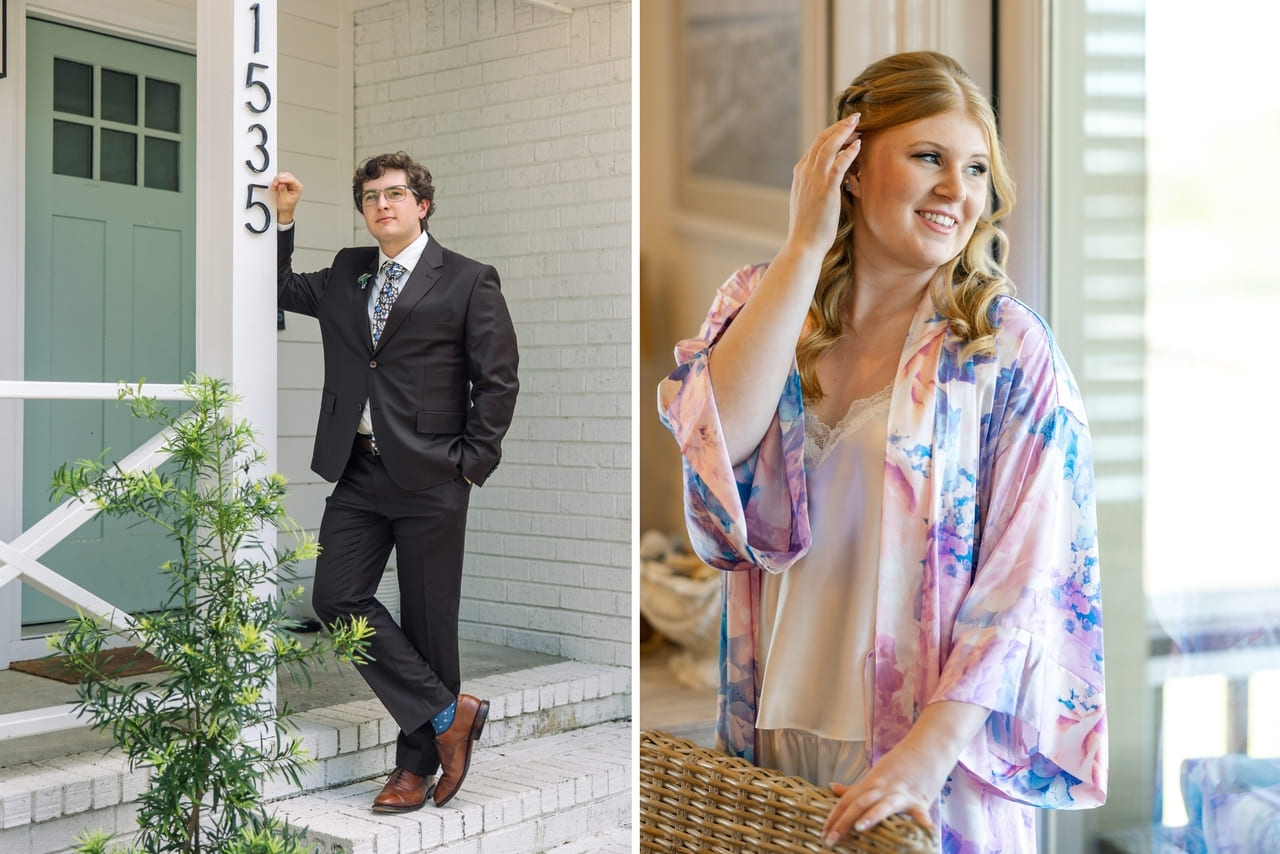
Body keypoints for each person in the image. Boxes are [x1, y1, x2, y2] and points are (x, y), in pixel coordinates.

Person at [657, 51, 1107, 851]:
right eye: (929, 157)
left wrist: (924, 760)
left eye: (975, 170)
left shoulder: (1004, 351)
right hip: (772, 739)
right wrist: (802, 248)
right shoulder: (760, 303)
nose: (956, 191)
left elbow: (1030, 581)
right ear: (852, 166)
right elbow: (713, 448)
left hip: (924, 764)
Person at [272, 152, 519, 813]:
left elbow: (497, 380)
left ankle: (413, 770)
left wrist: (470, 463)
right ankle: (447, 713)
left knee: (430, 623)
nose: (383, 204)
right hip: (358, 470)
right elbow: (276, 287)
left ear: (422, 205)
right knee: (335, 596)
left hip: (433, 477)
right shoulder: (351, 272)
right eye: (371, 196)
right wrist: (284, 219)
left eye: (396, 194)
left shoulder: (467, 280)